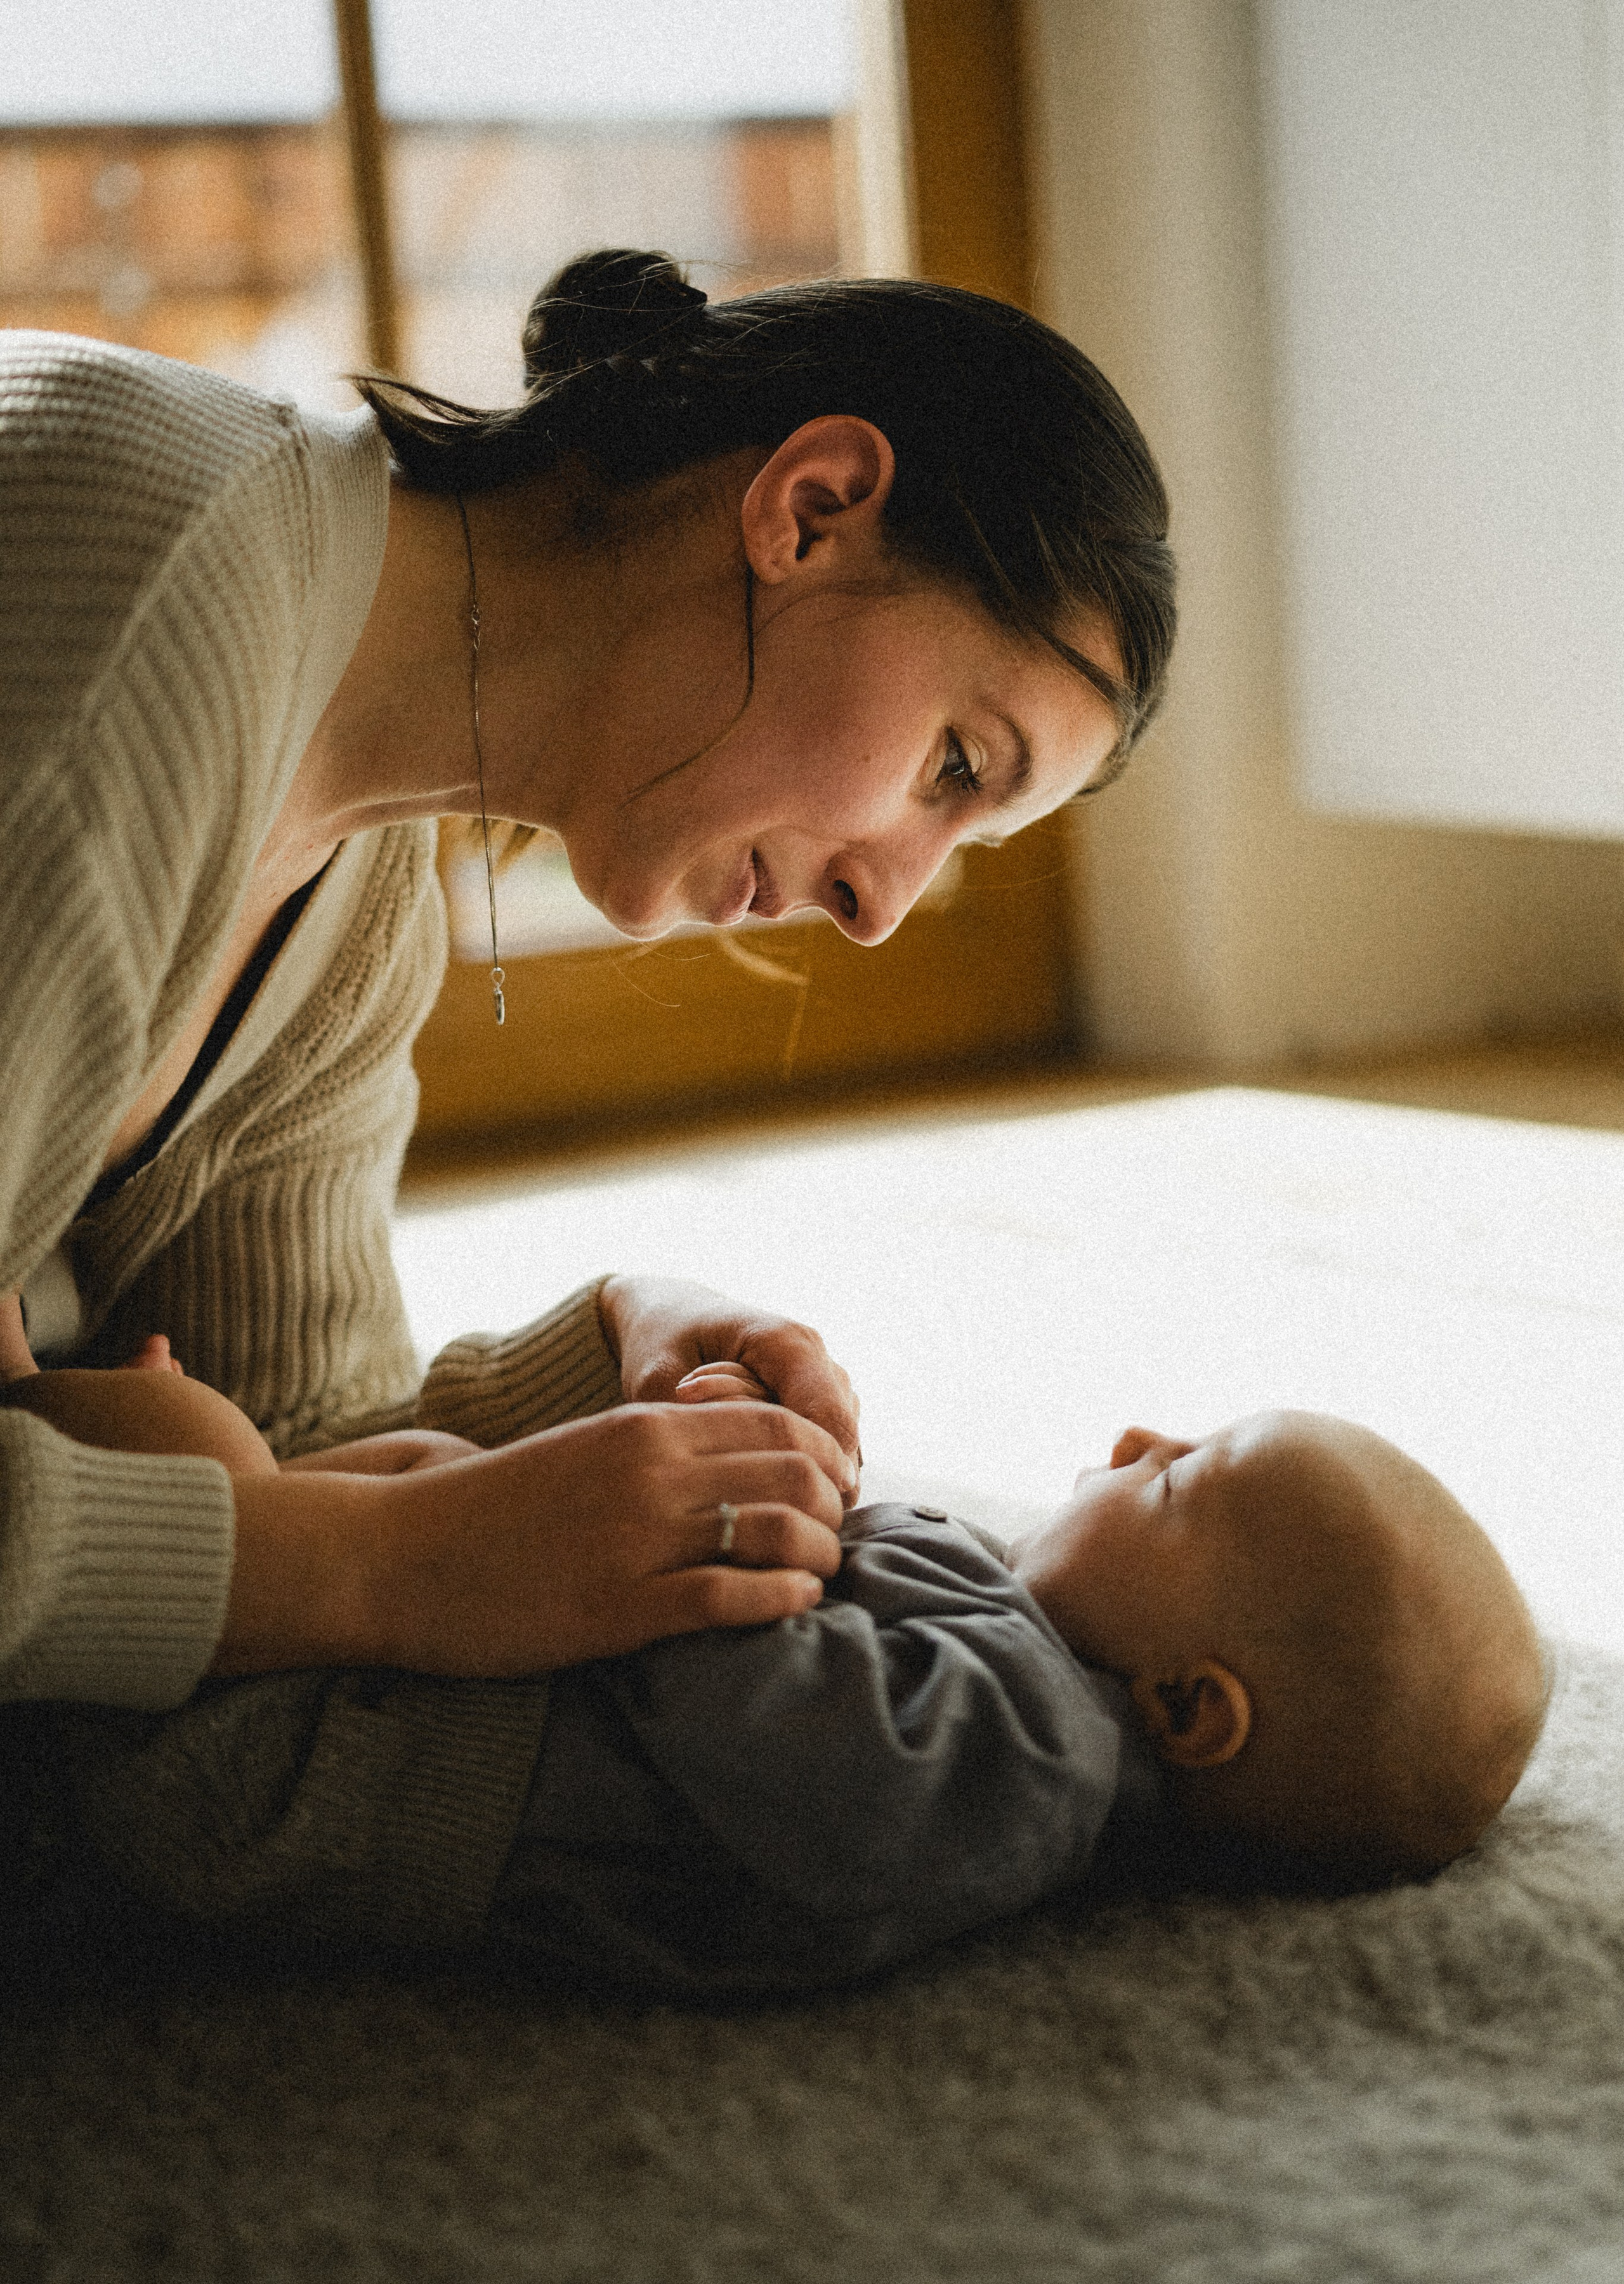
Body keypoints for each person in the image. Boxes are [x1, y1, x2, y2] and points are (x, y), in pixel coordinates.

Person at [0, 246, 1177, 1786]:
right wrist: (387, 1573)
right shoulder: (145, 612)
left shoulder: (351, 903)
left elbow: (291, 1440)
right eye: (954, 767)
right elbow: (331, 1544)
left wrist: (612, 1360)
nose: (883, 907)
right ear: (808, 508)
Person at [4, 1336, 1549, 1992]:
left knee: (183, 1446)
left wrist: (734, 1523)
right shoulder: (1018, 1693)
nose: (1133, 1440)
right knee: (319, 1460)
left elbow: (783, 1734)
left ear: (1187, 1710)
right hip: (376, 1701)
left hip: (333, 1783)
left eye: (1173, 1481)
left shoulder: (1028, 1766)